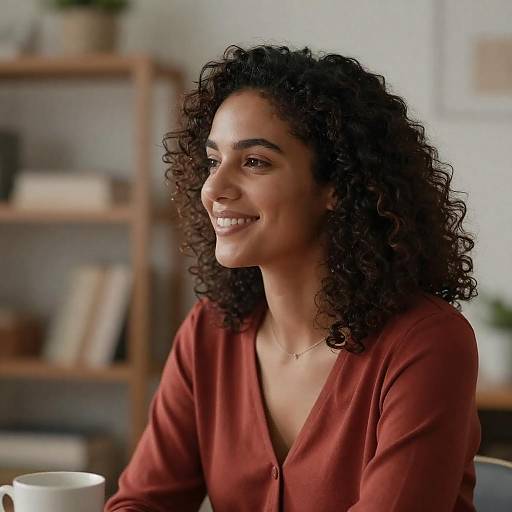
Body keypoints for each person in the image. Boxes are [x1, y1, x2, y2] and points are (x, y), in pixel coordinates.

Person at [104, 44, 481, 512]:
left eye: (254, 161)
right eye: (211, 161)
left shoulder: (426, 343)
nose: (214, 189)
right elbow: (139, 503)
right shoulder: (210, 332)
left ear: (336, 187)